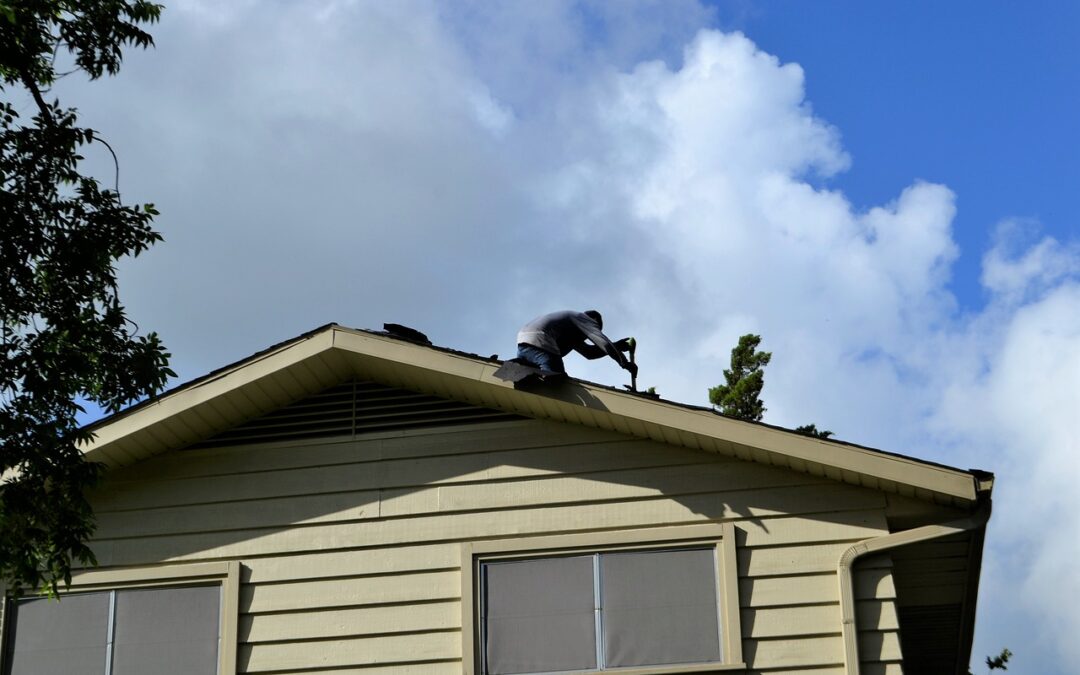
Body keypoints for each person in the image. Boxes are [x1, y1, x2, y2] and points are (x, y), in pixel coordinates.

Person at [515, 310, 637, 378]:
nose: (588, 336)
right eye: (594, 330)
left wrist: (617, 346)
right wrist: (624, 363)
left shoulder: (570, 329)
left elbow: (589, 353)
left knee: (527, 373)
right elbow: (604, 343)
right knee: (557, 379)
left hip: (524, 343)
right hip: (542, 341)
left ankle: (517, 364)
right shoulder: (585, 318)